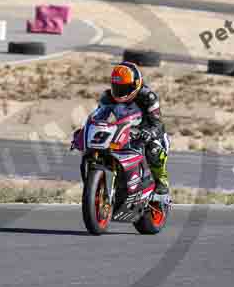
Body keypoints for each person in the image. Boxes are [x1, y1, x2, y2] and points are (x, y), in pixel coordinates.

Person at [73, 61, 170, 194]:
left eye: (124, 88)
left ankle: (161, 180)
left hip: (146, 130)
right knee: (94, 149)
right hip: (121, 129)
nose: (120, 92)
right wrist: (85, 131)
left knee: (154, 149)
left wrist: (149, 132)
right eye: (117, 87)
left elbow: (158, 123)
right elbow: (100, 116)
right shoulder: (107, 97)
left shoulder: (148, 97)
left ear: (136, 84)